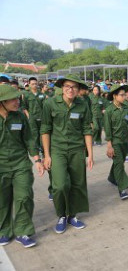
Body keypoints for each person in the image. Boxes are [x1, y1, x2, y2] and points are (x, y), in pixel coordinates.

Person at [41, 75, 93, 234]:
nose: (71, 90)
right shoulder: (50, 103)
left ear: (78, 90)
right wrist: (47, 155)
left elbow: (87, 129)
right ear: (62, 88)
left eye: (74, 87)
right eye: (67, 86)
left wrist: (90, 154)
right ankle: (61, 215)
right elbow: (45, 129)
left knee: (77, 184)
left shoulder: (82, 104)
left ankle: (72, 215)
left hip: (77, 150)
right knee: (60, 185)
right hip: (58, 150)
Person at [0, 85, 43, 248]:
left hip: (20, 164)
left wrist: (37, 160)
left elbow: (29, 139)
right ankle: (4, 230)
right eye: (13, 99)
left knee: (24, 197)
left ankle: (23, 231)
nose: (17, 102)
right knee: (2, 201)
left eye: (18, 98)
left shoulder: (20, 117)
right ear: (2, 102)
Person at [104, 85, 128, 200]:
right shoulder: (109, 111)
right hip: (115, 141)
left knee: (118, 161)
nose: (124, 96)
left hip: (125, 141)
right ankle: (122, 188)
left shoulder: (127, 108)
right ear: (115, 96)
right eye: (121, 95)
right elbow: (107, 129)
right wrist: (109, 146)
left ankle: (112, 178)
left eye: (125, 94)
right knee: (119, 164)